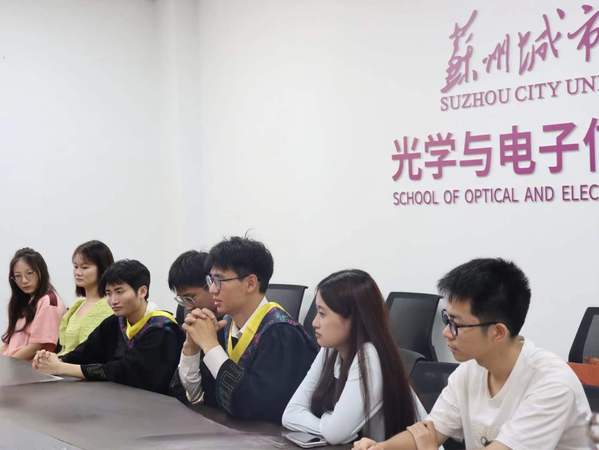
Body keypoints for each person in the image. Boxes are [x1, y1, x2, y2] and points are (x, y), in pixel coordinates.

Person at [353, 258, 591, 450]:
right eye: (446, 319)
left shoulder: (552, 385)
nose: (446, 333)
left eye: (456, 324)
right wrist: (381, 447)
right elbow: (429, 431)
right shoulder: (471, 370)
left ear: (497, 332)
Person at [178, 236, 318, 422]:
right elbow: (198, 398)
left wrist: (211, 347)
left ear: (251, 283)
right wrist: (191, 349)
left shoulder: (282, 333)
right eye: (210, 280)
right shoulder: (224, 328)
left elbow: (255, 408)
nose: (212, 290)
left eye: (219, 280)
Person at [282, 269, 427, 445]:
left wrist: (331, 425)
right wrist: (329, 424)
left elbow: (336, 434)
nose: (314, 323)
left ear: (353, 318)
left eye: (322, 314)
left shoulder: (370, 357)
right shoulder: (329, 349)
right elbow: (290, 413)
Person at [32, 259, 184, 394]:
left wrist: (62, 368)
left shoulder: (163, 328)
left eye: (119, 292)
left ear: (142, 291)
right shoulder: (115, 322)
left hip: (158, 406)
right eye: (108, 293)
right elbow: (86, 352)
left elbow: (125, 371)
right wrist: (55, 360)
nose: (113, 300)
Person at [166, 250, 221, 404]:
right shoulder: (189, 315)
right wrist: (190, 348)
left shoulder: (231, 322)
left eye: (191, 297)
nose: (188, 306)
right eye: (183, 299)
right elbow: (182, 391)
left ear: (212, 284)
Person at [1, 248, 65, 359]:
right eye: (18, 276)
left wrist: (6, 364)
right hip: (13, 362)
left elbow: (37, 346)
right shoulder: (25, 300)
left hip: (26, 366)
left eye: (29, 273)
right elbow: (9, 343)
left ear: (41, 272)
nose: (24, 280)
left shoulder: (49, 302)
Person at [58, 240, 115, 355]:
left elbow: (93, 352)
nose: (78, 272)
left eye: (84, 267)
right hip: (64, 362)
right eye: (76, 267)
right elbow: (65, 348)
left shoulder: (108, 306)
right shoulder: (78, 304)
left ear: (102, 268)